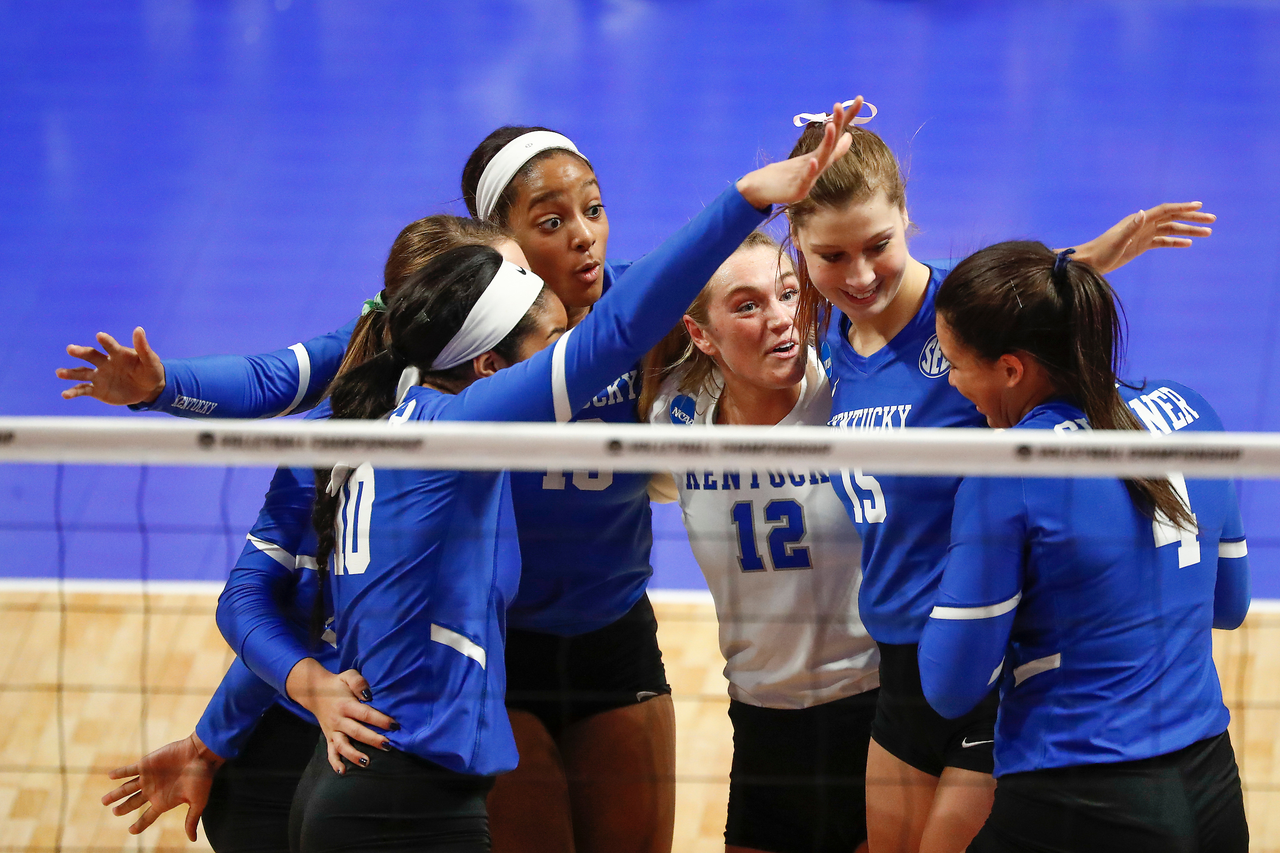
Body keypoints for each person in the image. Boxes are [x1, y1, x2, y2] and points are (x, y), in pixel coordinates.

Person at [215, 106, 861, 851]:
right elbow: (281, 402)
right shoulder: (464, 379)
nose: (582, 234)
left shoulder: (641, 310)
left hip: (612, 635)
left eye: (592, 208)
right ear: (500, 245)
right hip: (498, 655)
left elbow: (803, 300)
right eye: (550, 222)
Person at [782, 107, 1216, 853]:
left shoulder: (964, 321)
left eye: (878, 246)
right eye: (831, 255)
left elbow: (1037, 300)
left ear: (909, 218)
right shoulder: (827, 339)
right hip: (898, 664)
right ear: (798, 246)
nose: (859, 275)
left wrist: (1086, 261)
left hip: (990, 656)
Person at [99, 214, 515, 850]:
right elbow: (258, 600)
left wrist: (210, 739)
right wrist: (303, 690)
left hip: (386, 748)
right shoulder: (340, 432)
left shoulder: (480, 409)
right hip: (311, 762)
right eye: (510, 280)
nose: (532, 296)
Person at [919, 241, 1249, 852]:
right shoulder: (1193, 410)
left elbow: (949, 685)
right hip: (1213, 793)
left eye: (955, 365)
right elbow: (1228, 606)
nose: (953, 384)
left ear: (1011, 368)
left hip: (1080, 805)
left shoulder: (1008, 471)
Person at [642, 230, 878, 853]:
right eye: (747, 306)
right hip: (760, 716)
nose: (783, 320)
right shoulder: (676, 420)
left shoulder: (852, 398)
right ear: (701, 335)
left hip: (872, 708)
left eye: (789, 294)